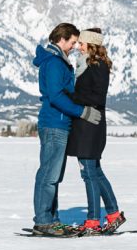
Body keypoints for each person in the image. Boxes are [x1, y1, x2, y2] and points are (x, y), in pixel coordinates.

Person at [32, 23, 102, 235]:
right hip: (54, 123)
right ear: (62, 39)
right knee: (49, 175)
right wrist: (81, 111)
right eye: (72, 42)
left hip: (59, 123)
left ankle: (51, 218)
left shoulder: (57, 61)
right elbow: (56, 96)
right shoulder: (54, 63)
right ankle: (44, 220)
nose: (73, 47)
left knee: (54, 175)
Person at [66, 28, 125, 235]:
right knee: (94, 172)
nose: (77, 47)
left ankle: (93, 220)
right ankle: (113, 214)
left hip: (91, 126)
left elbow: (98, 98)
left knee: (89, 174)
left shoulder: (97, 66)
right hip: (85, 126)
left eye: (81, 43)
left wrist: (71, 98)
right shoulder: (85, 65)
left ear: (90, 45)